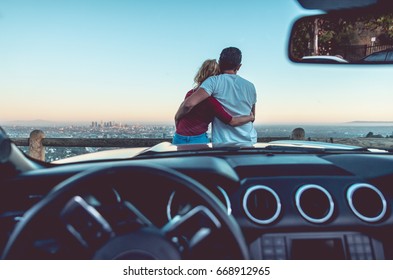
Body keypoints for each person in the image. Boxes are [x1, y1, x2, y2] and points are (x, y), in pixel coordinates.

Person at [175, 47, 257, 144]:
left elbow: (188, 104)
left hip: (223, 142)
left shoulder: (213, 82)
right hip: (249, 139)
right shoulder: (250, 86)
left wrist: (177, 118)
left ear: (220, 63)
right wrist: (250, 118)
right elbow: (252, 115)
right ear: (239, 66)